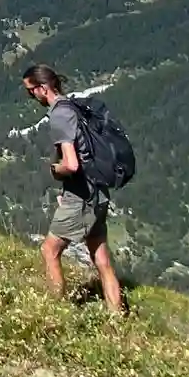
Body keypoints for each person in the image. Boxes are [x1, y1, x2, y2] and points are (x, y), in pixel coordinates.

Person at [22, 64, 126, 315]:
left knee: (49, 251)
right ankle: (118, 315)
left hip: (81, 197)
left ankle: (55, 311)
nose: (31, 96)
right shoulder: (74, 106)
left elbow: (71, 163)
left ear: (43, 88)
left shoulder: (59, 115)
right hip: (98, 191)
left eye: (31, 91)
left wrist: (55, 170)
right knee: (101, 259)